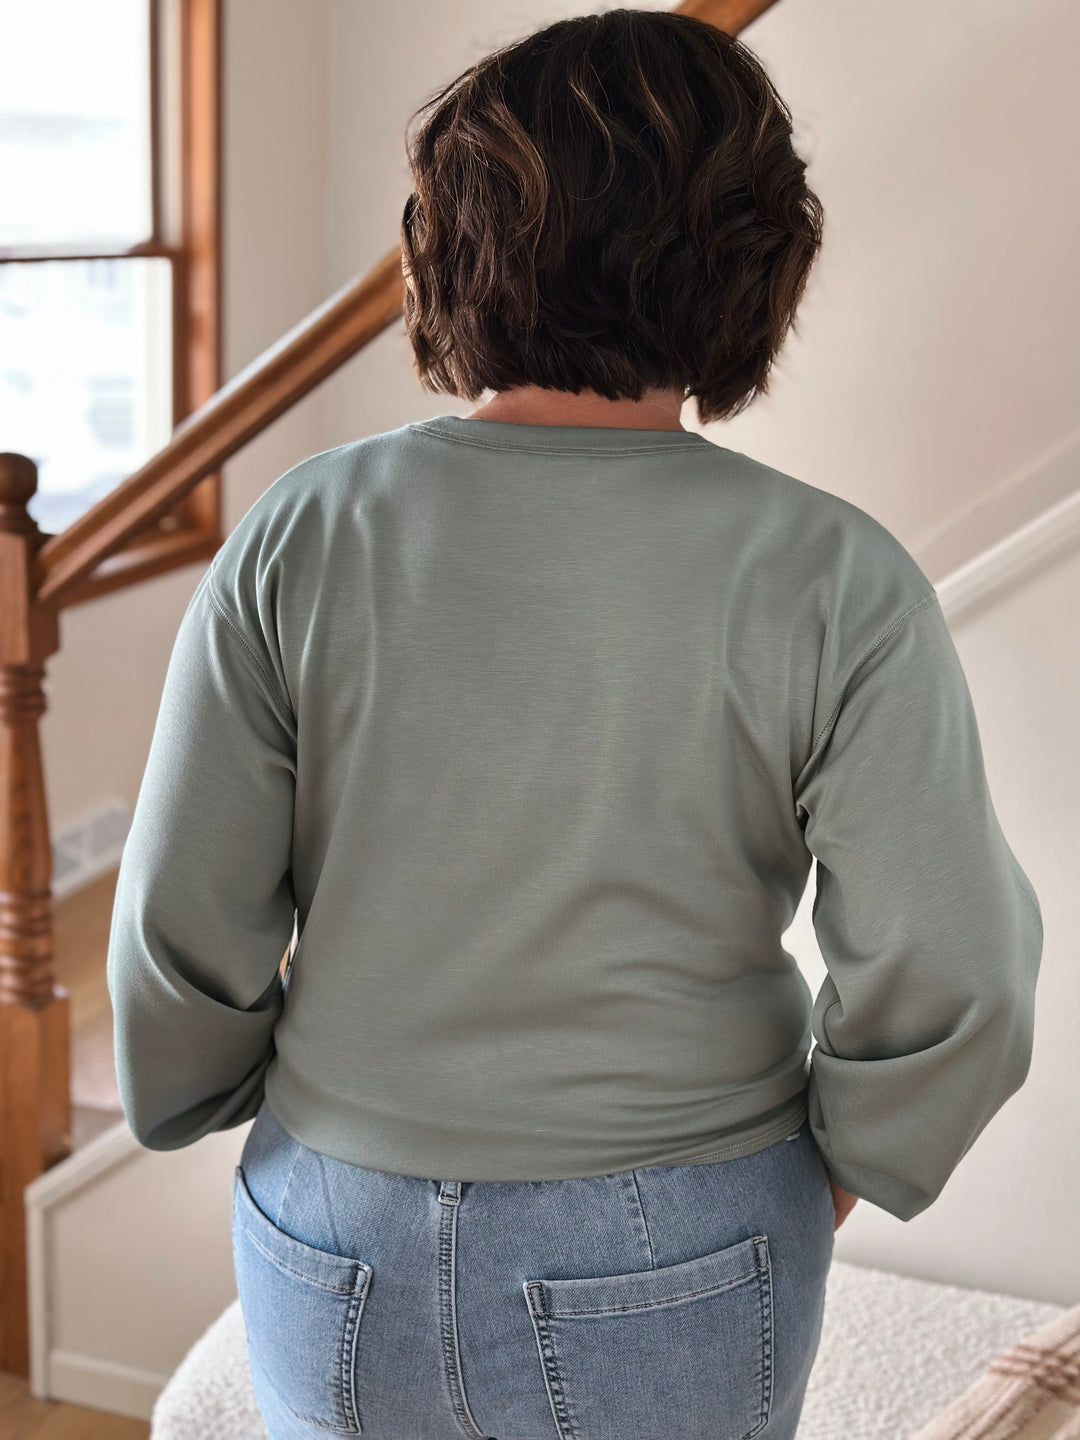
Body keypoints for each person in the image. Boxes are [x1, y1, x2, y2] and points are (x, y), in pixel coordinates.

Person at [108, 9, 1042, 1439]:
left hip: (332, 1211)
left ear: (450, 249)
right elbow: (951, 964)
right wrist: (848, 1162)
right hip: (682, 1216)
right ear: (757, 260)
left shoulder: (305, 531)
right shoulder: (830, 571)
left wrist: (214, 1092)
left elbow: (185, 912)